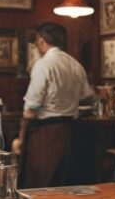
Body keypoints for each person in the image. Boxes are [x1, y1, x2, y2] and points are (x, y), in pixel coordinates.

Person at [11, 22, 95, 187]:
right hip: (70, 132)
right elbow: (88, 97)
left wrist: (20, 139)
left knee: (41, 187)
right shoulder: (76, 65)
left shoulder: (43, 65)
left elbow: (31, 108)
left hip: (45, 135)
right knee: (64, 187)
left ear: (41, 41)